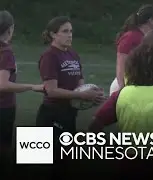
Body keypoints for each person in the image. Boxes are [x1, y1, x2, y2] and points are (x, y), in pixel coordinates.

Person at [89, 44, 153, 177]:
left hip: (127, 164)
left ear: (132, 68)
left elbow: (94, 127)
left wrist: (112, 150)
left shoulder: (121, 94)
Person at [36, 16, 104, 177]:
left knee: (64, 165)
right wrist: (82, 94)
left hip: (69, 115)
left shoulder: (73, 54)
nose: (70, 35)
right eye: (65, 31)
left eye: (71, 31)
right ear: (53, 35)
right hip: (51, 115)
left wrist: (92, 96)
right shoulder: (49, 56)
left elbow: (80, 86)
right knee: (41, 166)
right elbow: (51, 90)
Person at [0, 10, 43, 175]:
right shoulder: (5, 52)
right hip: (3, 108)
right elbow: (3, 85)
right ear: (10, 29)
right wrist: (32, 86)